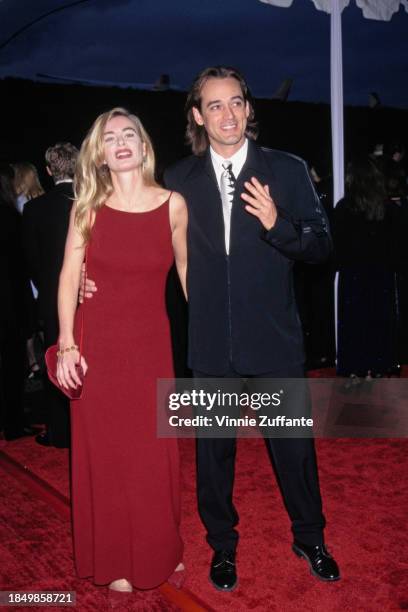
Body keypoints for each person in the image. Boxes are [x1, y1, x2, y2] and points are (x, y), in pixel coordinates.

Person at [83, 68, 340, 589]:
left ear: (249, 108)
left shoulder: (286, 170)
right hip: (209, 347)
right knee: (214, 457)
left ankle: (310, 537)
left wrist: (279, 225)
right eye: (215, 106)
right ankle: (222, 546)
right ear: (199, 116)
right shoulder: (177, 181)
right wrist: (91, 279)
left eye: (236, 103)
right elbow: (126, 227)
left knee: (294, 451)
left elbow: (323, 246)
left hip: (274, 342)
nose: (228, 114)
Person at [57, 108, 187, 591]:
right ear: (101, 154)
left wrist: (220, 336)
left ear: (144, 144)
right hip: (100, 345)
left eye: (129, 133)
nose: (121, 142)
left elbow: (190, 276)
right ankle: (114, 555)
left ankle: (160, 547)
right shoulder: (86, 206)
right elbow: (69, 277)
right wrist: (68, 343)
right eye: (110, 138)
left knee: (153, 452)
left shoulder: (174, 204)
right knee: (108, 453)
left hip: (152, 346)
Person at [22, 143, 78, 448]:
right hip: (90, 293)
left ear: (48, 171)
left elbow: (30, 259)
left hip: (51, 299)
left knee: (56, 361)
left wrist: (46, 287)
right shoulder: (91, 202)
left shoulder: (34, 209)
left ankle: (59, 432)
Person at [332, 156, 398, 381]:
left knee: (353, 324)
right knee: (378, 322)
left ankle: (354, 370)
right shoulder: (386, 209)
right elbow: (395, 246)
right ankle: (376, 369)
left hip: (354, 275)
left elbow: (336, 246)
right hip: (380, 274)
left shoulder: (344, 208)